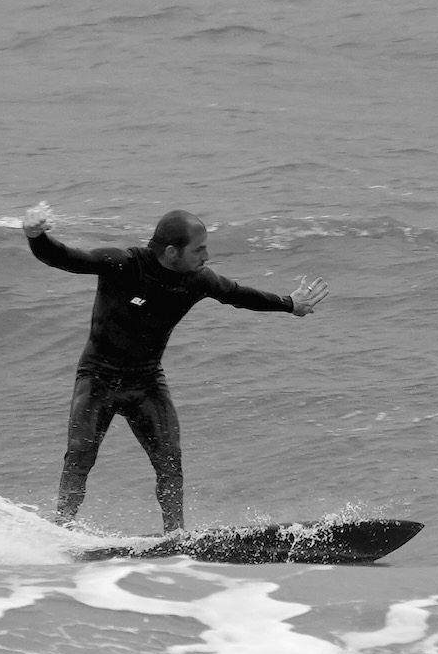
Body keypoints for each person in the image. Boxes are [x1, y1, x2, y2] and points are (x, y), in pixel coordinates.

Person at [22, 205, 330, 534]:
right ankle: (63, 529)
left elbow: (238, 295)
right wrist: (35, 235)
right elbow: (65, 257)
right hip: (99, 377)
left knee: (170, 464)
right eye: (199, 250)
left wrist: (290, 304)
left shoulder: (197, 280)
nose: (206, 256)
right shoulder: (124, 264)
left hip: (146, 382)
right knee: (80, 457)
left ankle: (175, 538)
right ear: (171, 251)